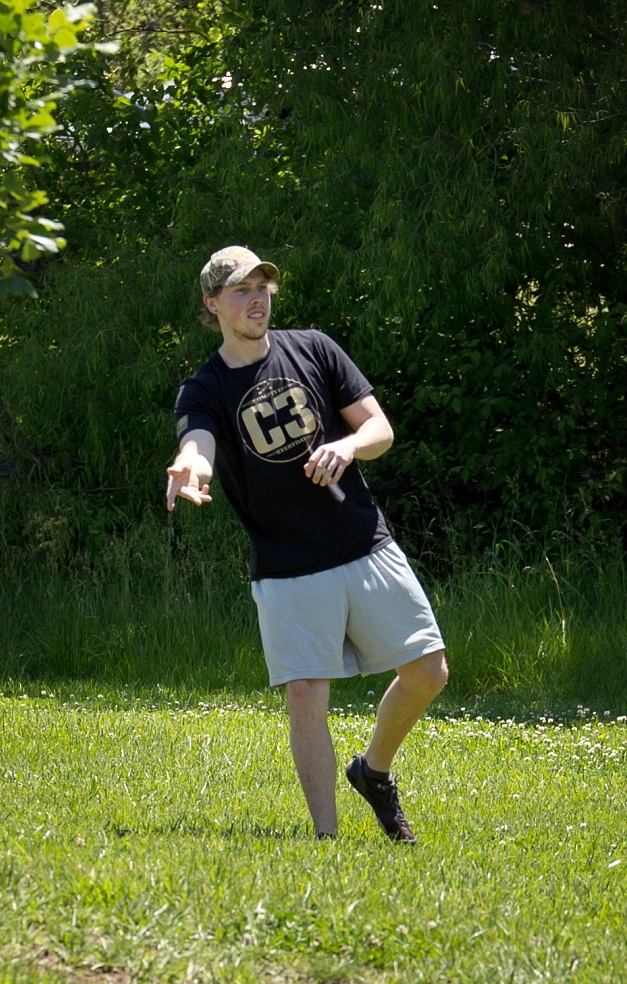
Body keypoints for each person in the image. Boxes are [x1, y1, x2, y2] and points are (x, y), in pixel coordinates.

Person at [164, 245, 446, 843]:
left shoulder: (313, 347)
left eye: (263, 285)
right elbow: (199, 444)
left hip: (362, 541)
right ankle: (327, 840)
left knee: (428, 671)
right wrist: (190, 469)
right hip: (287, 565)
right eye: (241, 290)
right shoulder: (204, 388)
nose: (257, 297)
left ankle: (373, 771)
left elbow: (379, 428)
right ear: (213, 305)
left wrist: (347, 447)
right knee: (304, 694)